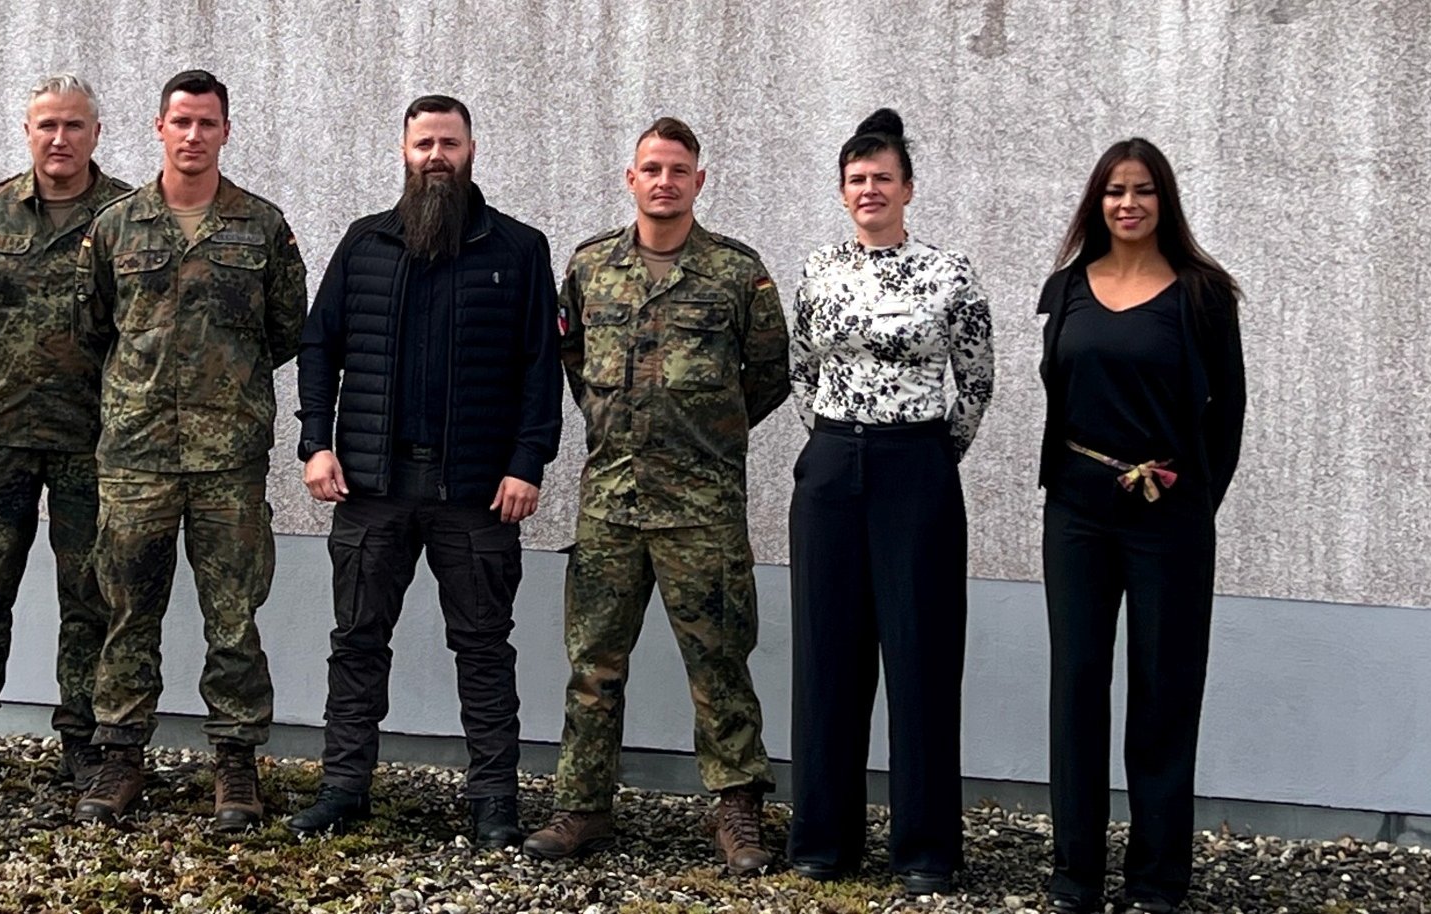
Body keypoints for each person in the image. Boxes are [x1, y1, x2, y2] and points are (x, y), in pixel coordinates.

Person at [290, 95, 561, 849]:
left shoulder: (519, 249)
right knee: (356, 643)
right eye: (423, 144)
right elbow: (319, 347)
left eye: (449, 142)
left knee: (484, 649)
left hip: (477, 494)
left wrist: (527, 463)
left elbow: (542, 367)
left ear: (471, 150)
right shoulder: (365, 243)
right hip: (371, 488)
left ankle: (494, 802)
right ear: (404, 152)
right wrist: (315, 444)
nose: (436, 155)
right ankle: (344, 788)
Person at [523, 117, 787, 875]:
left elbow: (770, 373)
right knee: (593, 668)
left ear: (698, 181)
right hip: (610, 503)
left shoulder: (736, 272)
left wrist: (701, 432)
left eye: (678, 170)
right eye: (652, 169)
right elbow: (572, 357)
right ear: (630, 179)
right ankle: (582, 807)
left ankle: (736, 811)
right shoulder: (589, 266)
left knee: (719, 666)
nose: (664, 181)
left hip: (701, 509)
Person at [70, 69, 308, 828]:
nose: (194, 135)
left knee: (233, 617)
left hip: (228, 460)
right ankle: (119, 758)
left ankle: (235, 765)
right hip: (135, 454)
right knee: (126, 611)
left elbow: (286, 329)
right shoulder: (115, 225)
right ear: (159, 128)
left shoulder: (261, 227)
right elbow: (92, 329)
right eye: (181, 121)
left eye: (207, 123)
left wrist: (221, 387)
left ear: (226, 131)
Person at [784, 108, 994, 897]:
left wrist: (930, 456)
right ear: (842, 192)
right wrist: (837, 441)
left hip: (917, 468)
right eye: (856, 179)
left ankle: (925, 848)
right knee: (827, 655)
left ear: (908, 188)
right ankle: (823, 838)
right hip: (834, 467)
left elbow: (976, 379)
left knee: (921, 656)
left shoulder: (950, 272)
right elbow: (801, 369)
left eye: (883, 178)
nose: (869, 189)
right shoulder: (819, 270)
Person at [1037, 138, 1245, 914]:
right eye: (1115, 191)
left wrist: (1191, 505)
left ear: (1165, 201)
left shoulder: (1203, 295)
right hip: (1077, 514)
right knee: (1078, 687)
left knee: (1165, 692)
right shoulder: (1067, 288)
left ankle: (1157, 881)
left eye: (1144, 190)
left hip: (1169, 518)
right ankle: (1076, 875)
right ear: (1097, 202)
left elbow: (1227, 416)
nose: (1129, 204)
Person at [0, 74, 131, 792]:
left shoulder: (127, 214)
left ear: (95, 133)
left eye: (73, 125)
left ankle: (82, 741)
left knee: (90, 595)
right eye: (47, 125)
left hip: (91, 438)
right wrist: (0, 370)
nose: (59, 138)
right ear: (28, 131)